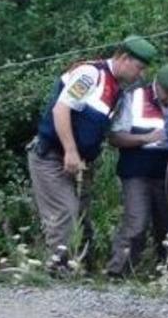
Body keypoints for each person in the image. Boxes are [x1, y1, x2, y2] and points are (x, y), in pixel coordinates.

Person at [28, 35, 156, 274]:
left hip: (82, 162)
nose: (140, 75)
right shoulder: (90, 75)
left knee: (82, 217)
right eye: (138, 67)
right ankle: (58, 271)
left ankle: (79, 269)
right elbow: (61, 109)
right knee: (65, 212)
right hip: (52, 156)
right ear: (123, 58)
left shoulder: (117, 89)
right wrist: (70, 151)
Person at [105, 62, 168, 277]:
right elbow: (114, 137)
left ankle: (165, 276)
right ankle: (117, 273)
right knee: (136, 224)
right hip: (137, 173)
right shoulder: (135, 97)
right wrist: (145, 138)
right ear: (157, 83)